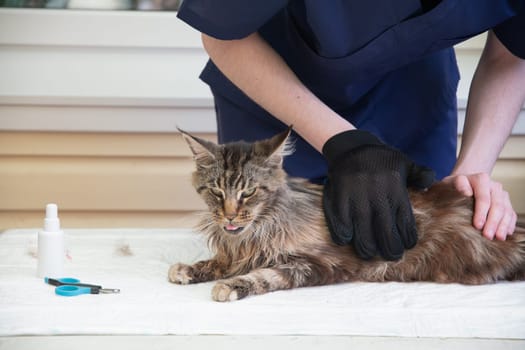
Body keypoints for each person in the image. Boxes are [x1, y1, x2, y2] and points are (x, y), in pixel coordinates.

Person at [177, 0, 525, 260]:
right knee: (276, 258)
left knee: (411, 258)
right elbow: (224, 35)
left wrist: (471, 172)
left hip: (412, 97)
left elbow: (512, 52)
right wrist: (343, 142)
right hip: (277, 94)